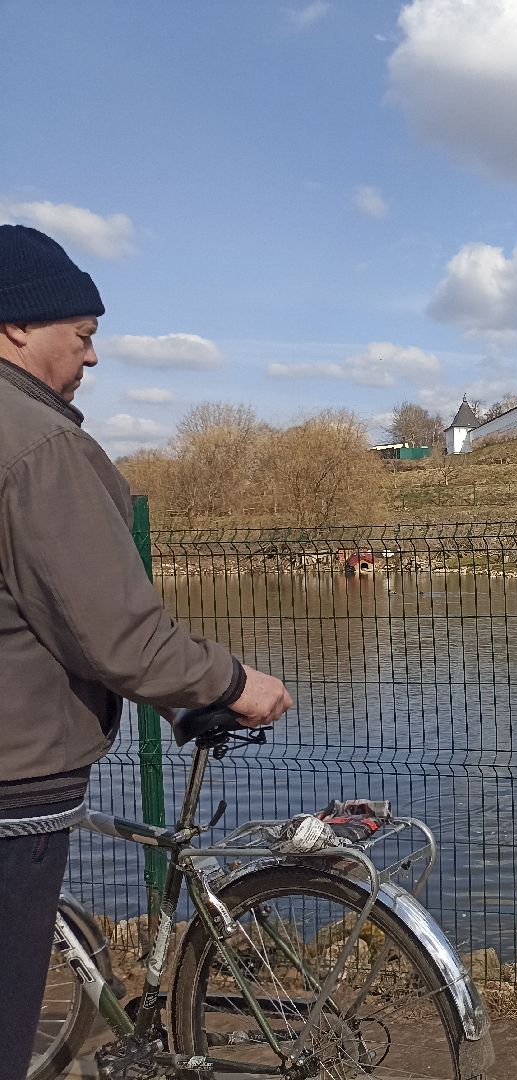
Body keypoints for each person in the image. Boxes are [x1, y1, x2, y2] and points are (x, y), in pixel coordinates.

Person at [0, 224, 293, 1076]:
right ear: (17, 324)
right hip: (17, 778)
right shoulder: (37, 444)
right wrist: (232, 682)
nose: (92, 356)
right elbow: (116, 632)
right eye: (82, 333)